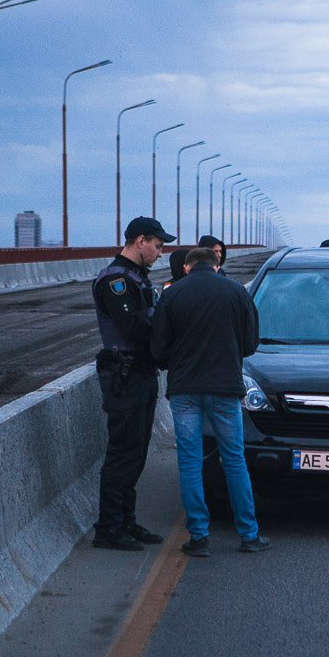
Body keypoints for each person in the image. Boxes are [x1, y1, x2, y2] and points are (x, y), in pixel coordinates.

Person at [151, 247, 268, 556]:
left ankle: (199, 536)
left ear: (187, 267)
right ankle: (249, 535)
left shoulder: (173, 294)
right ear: (217, 265)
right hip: (225, 389)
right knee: (234, 459)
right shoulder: (237, 292)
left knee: (190, 461)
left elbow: (159, 350)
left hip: (185, 389)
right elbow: (250, 344)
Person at [91, 216, 174, 551]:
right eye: (157, 245)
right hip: (124, 376)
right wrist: (169, 336)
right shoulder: (116, 281)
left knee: (138, 451)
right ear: (140, 241)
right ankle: (108, 528)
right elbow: (133, 327)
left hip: (142, 373)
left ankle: (127, 520)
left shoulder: (139, 278)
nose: (159, 253)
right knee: (123, 452)